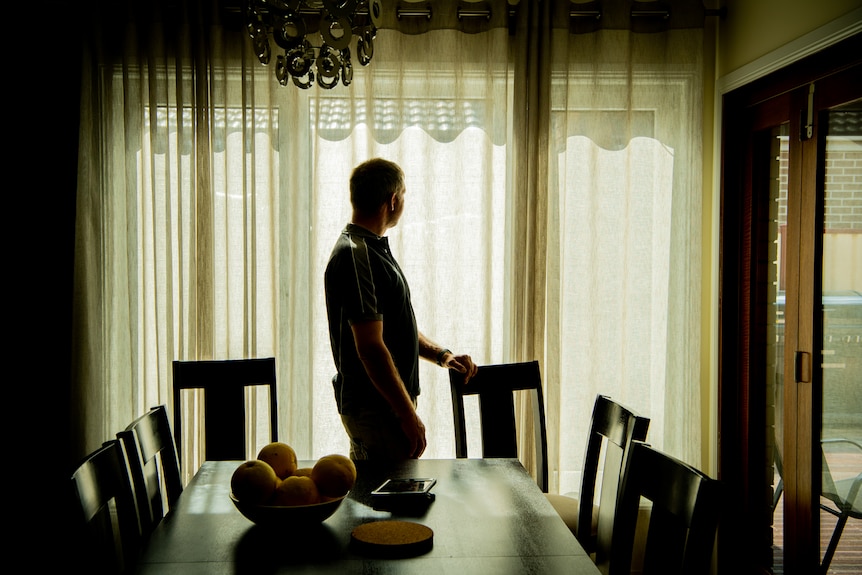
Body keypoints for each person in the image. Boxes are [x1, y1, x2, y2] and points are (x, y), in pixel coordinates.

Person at [324, 158, 478, 461]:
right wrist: (408, 416)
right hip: (378, 410)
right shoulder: (358, 255)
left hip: (384, 408)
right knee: (388, 506)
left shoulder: (370, 249)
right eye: (403, 195)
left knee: (385, 503)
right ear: (393, 200)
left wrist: (441, 355)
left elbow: (393, 328)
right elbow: (370, 347)